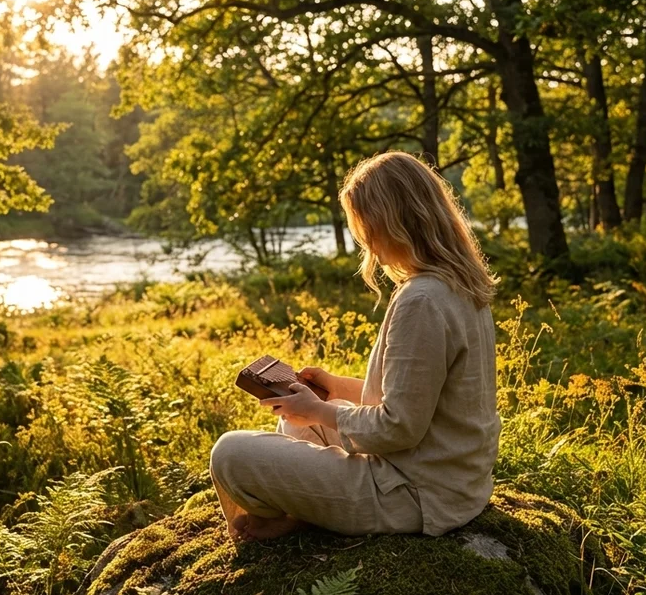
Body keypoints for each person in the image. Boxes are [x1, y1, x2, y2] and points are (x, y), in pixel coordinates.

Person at [209, 151, 501, 542]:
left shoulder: (422, 300)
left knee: (230, 453)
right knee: (296, 422)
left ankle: (279, 519)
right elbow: (418, 396)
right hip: (448, 481)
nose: (368, 244)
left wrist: (320, 409)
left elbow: (398, 428)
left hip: (414, 494)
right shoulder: (458, 285)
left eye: (366, 228)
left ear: (391, 221)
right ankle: (300, 513)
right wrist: (333, 390)